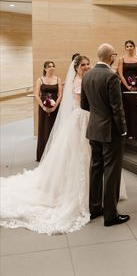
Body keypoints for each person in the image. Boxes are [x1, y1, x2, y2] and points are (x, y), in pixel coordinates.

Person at [0, 55, 127, 235]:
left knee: (93, 159)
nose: (85, 66)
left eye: (87, 64)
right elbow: (82, 103)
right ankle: (87, 199)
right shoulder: (79, 80)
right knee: (82, 157)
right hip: (81, 119)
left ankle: (96, 201)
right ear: (75, 68)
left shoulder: (90, 76)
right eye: (82, 65)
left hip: (92, 121)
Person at [81, 43, 130, 227]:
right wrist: (123, 129)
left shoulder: (87, 76)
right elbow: (118, 109)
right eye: (114, 55)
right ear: (111, 57)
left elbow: (84, 105)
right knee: (112, 171)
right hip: (110, 131)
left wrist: (98, 113)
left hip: (94, 128)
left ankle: (95, 209)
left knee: (96, 168)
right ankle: (111, 215)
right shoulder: (111, 76)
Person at [35, 60, 62, 162]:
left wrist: (54, 107)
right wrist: (43, 107)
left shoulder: (58, 79)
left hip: (55, 108)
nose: (51, 68)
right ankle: (42, 154)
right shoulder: (40, 80)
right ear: (45, 68)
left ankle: (54, 154)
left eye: (53, 66)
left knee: (54, 129)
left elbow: (60, 95)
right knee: (44, 129)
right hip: (43, 108)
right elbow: (37, 95)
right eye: (49, 66)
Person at [117, 40, 137, 139]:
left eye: (131, 46)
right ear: (125, 48)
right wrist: (128, 86)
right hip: (124, 87)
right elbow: (120, 74)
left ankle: (136, 132)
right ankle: (127, 132)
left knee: (135, 108)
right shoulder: (121, 59)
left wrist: (136, 82)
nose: (129, 48)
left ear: (134, 47)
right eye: (127, 46)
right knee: (126, 108)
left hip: (135, 87)